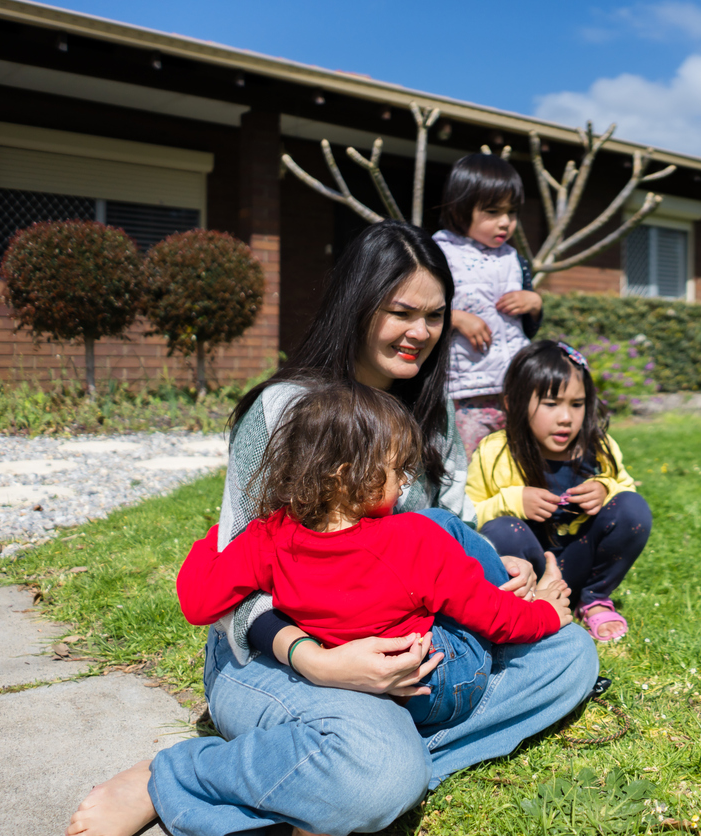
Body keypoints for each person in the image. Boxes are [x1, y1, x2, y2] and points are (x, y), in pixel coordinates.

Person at [68, 222, 599, 836]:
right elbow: (235, 584)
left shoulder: (430, 414)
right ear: (358, 303)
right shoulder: (286, 410)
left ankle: (335, 773)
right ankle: (180, 775)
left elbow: (450, 531)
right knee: (377, 770)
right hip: (279, 653)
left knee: (569, 656)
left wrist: (508, 574)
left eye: (435, 315)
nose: (421, 333)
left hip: (413, 647)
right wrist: (320, 663)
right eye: (402, 311)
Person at [177, 380, 574, 735]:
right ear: (348, 475)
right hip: (442, 680)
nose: (405, 482)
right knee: (450, 540)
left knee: (445, 532)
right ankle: (526, 601)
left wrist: (217, 539)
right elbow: (493, 616)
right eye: (398, 469)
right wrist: (546, 614)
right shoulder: (412, 539)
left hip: (357, 680)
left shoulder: (267, 540)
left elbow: (197, 603)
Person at [466, 341, 653, 643]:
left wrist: (606, 488)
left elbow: (627, 496)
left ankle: (593, 599)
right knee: (503, 530)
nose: (566, 417)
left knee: (632, 508)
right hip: (530, 573)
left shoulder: (599, 447)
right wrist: (511, 501)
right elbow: (466, 519)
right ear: (514, 403)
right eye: (551, 404)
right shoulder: (495, 451)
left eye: (576, 404)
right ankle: (530, 606)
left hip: (580, 562)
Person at [433, 153, 542, 457]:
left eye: (512, 212)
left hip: (513, 386)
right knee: (468, 462)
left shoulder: (514, 259)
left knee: (511, 459)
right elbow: (418, 311)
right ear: (459, 207)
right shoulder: (438, 254)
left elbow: (528, 328)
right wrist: (454, 318)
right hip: (464, 390)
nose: (505, 222)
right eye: (493, 212)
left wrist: (534, 303)